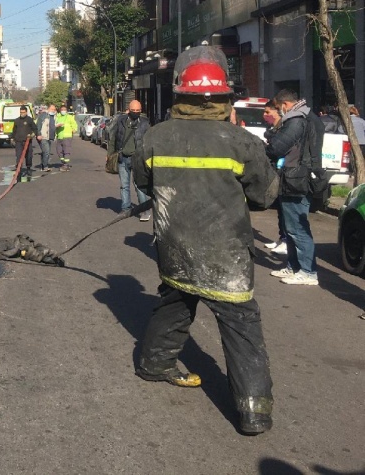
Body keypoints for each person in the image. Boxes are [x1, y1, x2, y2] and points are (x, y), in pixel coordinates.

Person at [133, 46, 279, 436]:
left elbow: (143, 182)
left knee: (176, 300)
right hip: (226, 255)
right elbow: (265, 195)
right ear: (225, 95)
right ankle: (253, 411)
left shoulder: (156, 137)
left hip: (174, 245)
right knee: (241, 324)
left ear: (178, 92)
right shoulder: (241, 141)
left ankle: (154, 364)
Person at [266, 88, 322, 286]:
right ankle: (294, 266)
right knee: (292, 228)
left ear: (285, 104)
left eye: (278, 107)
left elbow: (277, 147)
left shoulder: (296, 120)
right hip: (295, 177)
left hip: (296, 179)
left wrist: (271, 136)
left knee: (297, 228)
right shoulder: (306, 117)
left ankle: (307, 271)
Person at [107, 99, 151, 221]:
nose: (135, 112)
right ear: (128, 110)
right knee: (124, 186)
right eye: (133, 110)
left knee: (139, 186)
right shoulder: (121, 121)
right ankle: (125, 208)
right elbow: (113, 138)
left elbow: (149, 142)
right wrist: (110, 153)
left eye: (138, 110)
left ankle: (144, 210)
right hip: (123, 158)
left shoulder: (145, 123)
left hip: (138, 160)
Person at [262, 101, 288, 256]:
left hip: (283, 170)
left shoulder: (283, 127)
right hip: (275, 169)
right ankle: (281, 237)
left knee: (285, 210)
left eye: (267, 112)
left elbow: (278, 147)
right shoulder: (273, 128)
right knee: (279, 207)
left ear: (277, 111)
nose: (265, 115)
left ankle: (286, 240)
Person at [11, 105, 37, 181]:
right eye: (21, 112)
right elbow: (14, 131)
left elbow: (35, 129)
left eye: (23, 112)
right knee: (19, 156)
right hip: (19, 141)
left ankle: (28, 168)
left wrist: (32, 135)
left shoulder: (29, 120)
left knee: (28, 156)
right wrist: (12, 138)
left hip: (27, 141)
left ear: (26, 112)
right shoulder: (16, 120)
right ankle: (18, 171)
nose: (22, 113)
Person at [36, 103, 58, 172]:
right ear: (48, 109)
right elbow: (38, 125)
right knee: (46, 151)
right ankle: (45, 166)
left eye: (54, 109)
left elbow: (52, 126)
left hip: (50, 137)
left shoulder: (55, 116)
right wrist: (38, 134)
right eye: (52, 109)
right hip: (43, 136)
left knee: (45, 152)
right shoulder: (43, 115)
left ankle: (43, 165)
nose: (53, 110)